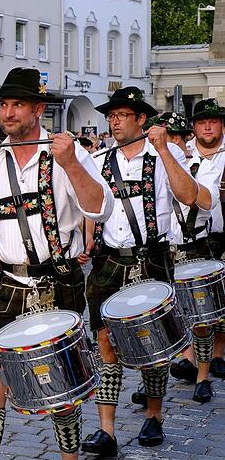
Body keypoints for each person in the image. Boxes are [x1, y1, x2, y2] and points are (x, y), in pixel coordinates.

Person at [0, 69, 113, 460]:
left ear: (38, 109)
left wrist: (72, 164)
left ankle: (69, 457)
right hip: (3, 284)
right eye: (4, 104)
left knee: (62, 387)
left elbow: (100, 207)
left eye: (17, 104)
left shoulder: (68, 155)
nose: (7, 112)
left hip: (55, 282)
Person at [81, 86, 198, 455]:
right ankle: (107, 430)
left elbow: (188, 195)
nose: (114, 121)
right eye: (111, 116)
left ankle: (153, 416)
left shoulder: (166, 154)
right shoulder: (98, 159)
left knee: (154, 344)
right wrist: (86, 241)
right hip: (109, 260)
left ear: (141, 119)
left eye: (121, 115)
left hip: (151, 256)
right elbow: (90, 206)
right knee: (104, 342)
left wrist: (164, 149)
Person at [149, 111, 218, 404]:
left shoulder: (205, 167)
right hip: (167, 250)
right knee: (170, 318)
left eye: (176, 137)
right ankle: (182, 366)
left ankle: (203, 375)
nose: (172, 143)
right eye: (168, 138)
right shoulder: (155, 166)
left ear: (184, 139)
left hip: (196, 246)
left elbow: (203, 200)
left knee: (200, 318)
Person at [188, 99, 225, 379]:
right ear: (194, 127)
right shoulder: (184, 153)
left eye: (213, 121)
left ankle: (219, 353)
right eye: (202, 122)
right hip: (196, 236)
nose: (208, 126)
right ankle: (190, 358)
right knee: (196, 300)